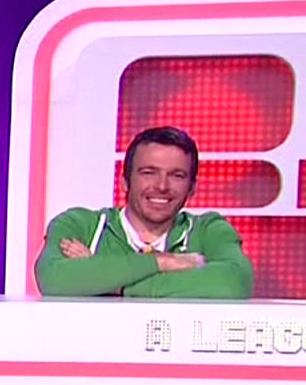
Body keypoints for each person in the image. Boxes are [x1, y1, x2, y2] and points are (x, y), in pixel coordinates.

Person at [35, 126, 253, 298]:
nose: (162, 186)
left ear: (192, 187)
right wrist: (163, 262)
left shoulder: (209, 230)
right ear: (125, 181)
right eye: (149, 172)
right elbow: (53, 279)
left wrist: (111, 284)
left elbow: (234, 283)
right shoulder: (80, 225)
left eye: (176, 175)